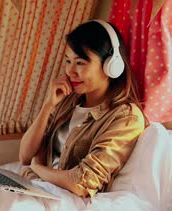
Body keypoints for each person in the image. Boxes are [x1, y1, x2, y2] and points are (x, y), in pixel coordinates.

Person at [19, 19, 148, 198]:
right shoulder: (68, 99)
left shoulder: (126, 117)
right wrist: (48, 105)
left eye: (80, 63)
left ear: (111, 66)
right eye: (68, 61)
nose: (70, 71)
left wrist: (38, 168)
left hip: (67, 201)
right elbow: (25, 156)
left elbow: (82, 183)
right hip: (37, 187)